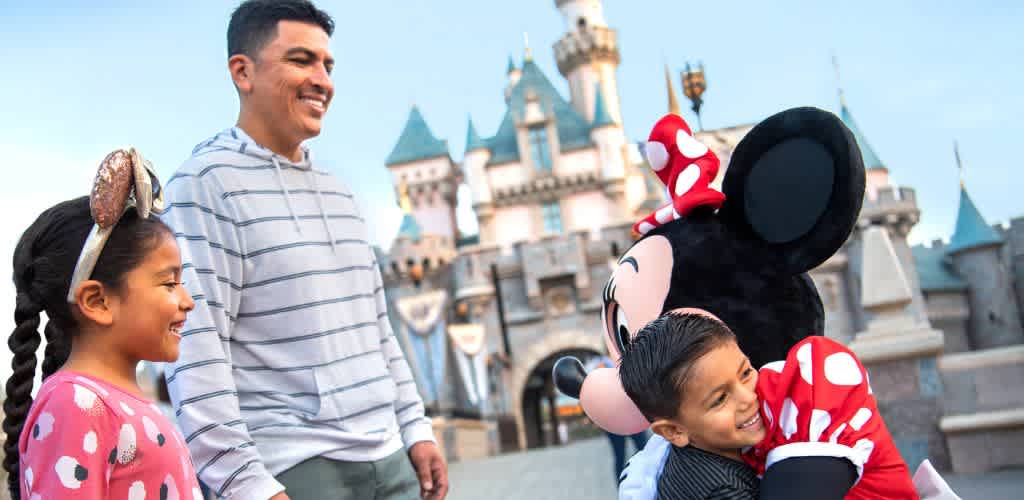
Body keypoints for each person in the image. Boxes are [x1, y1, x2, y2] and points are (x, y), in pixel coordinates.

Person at [159, 1, 447, 499]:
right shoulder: (204, 185)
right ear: (242, 72)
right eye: (301, 60)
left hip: (390, 457)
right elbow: (194, 349)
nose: (322, 80)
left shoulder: (340, 192)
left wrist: (415, 428)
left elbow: (378, 330)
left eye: (327, 65)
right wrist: (246, 485)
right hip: (293, 469)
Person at [2, 150, 201, 499]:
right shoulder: (75, 404)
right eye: (169, 284)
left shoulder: (115, 404)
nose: (187, 301)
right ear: (97, 302)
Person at [619, 312, 918, 500]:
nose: (748, 398)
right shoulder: (719, 487)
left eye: (746, 372)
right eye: (720, 399)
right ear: (673, 430)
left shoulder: (802, 392)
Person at [589, 356, 649, 480]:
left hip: (626, 417)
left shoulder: (607, 364)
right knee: (628, 453)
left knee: (643, 450)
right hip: (619, 418)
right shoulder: (601, 366)